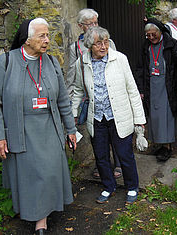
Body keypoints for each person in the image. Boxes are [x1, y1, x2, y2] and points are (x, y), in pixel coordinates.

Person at [0, 18, 77, 235]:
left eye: (47, 35)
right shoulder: (6, 62)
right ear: (27, 41)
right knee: (31, 176)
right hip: (22, 129)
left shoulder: (52, 62)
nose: (47, 40)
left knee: (48, 173)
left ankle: (42, 218)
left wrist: (71, 129)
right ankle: (37, 215)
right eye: (42, 36)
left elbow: (63, 99)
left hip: (49, 126)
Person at [71, 26, 146, 204]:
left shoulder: (120, 59)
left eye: (105, 42)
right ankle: (108, 186)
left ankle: (132, 186)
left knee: (125, 154)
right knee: (101, 156)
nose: (103, 47)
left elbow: (132, 90)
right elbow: (78, 90)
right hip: (96, 118)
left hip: (119, 116)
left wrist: (139, 119)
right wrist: (73, 115)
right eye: (98, 43)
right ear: (89, 46)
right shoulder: (81, 64)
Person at [65, 8, 121, 179]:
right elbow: (71, 74)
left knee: (114, 131)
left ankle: (118, 163)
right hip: (89, 96)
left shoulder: (108, 42)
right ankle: (101, 164)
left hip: (108, 92)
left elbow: (117, 65)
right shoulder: (75, 47)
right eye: (90, 24)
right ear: (81, 26)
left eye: (95, 22)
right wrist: (70, 97)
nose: (94, 26)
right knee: (96, 133)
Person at [135, 18, 177, 162]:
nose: (151, 37)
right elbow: (140, 68)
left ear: (160, 32)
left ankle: (168, 146)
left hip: (168, 86)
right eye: (148, 35)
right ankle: (159, 143)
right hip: (151, 86)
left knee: (167, 116)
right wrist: (140, 89)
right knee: (154, 116)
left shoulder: (171, 44)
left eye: (154, 34)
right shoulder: (145, 46)